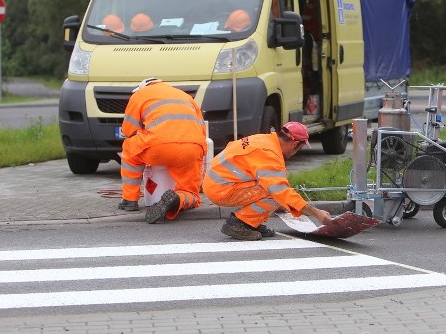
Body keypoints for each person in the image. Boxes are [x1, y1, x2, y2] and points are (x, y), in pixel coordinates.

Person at [203, 121, 333, 241]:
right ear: (294, 144)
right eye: (298, 149)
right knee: (274, 193)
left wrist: (284, 204)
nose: (296, 152)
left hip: (217, 183)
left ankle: (251, 223)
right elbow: (280, 191)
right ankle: (240, 223)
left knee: (275, 191)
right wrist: (317, 213)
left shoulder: (264, 140)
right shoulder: (268, 154)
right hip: (221, 189)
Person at [118, 77, 208, 224]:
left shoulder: (139, 95)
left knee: (129, 147)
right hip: (192, 149)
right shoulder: (185, 96)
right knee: (192, 194)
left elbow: (128, 130)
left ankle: (129, 200)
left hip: (159, 147)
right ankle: (178, 199)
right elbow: (202, 131)